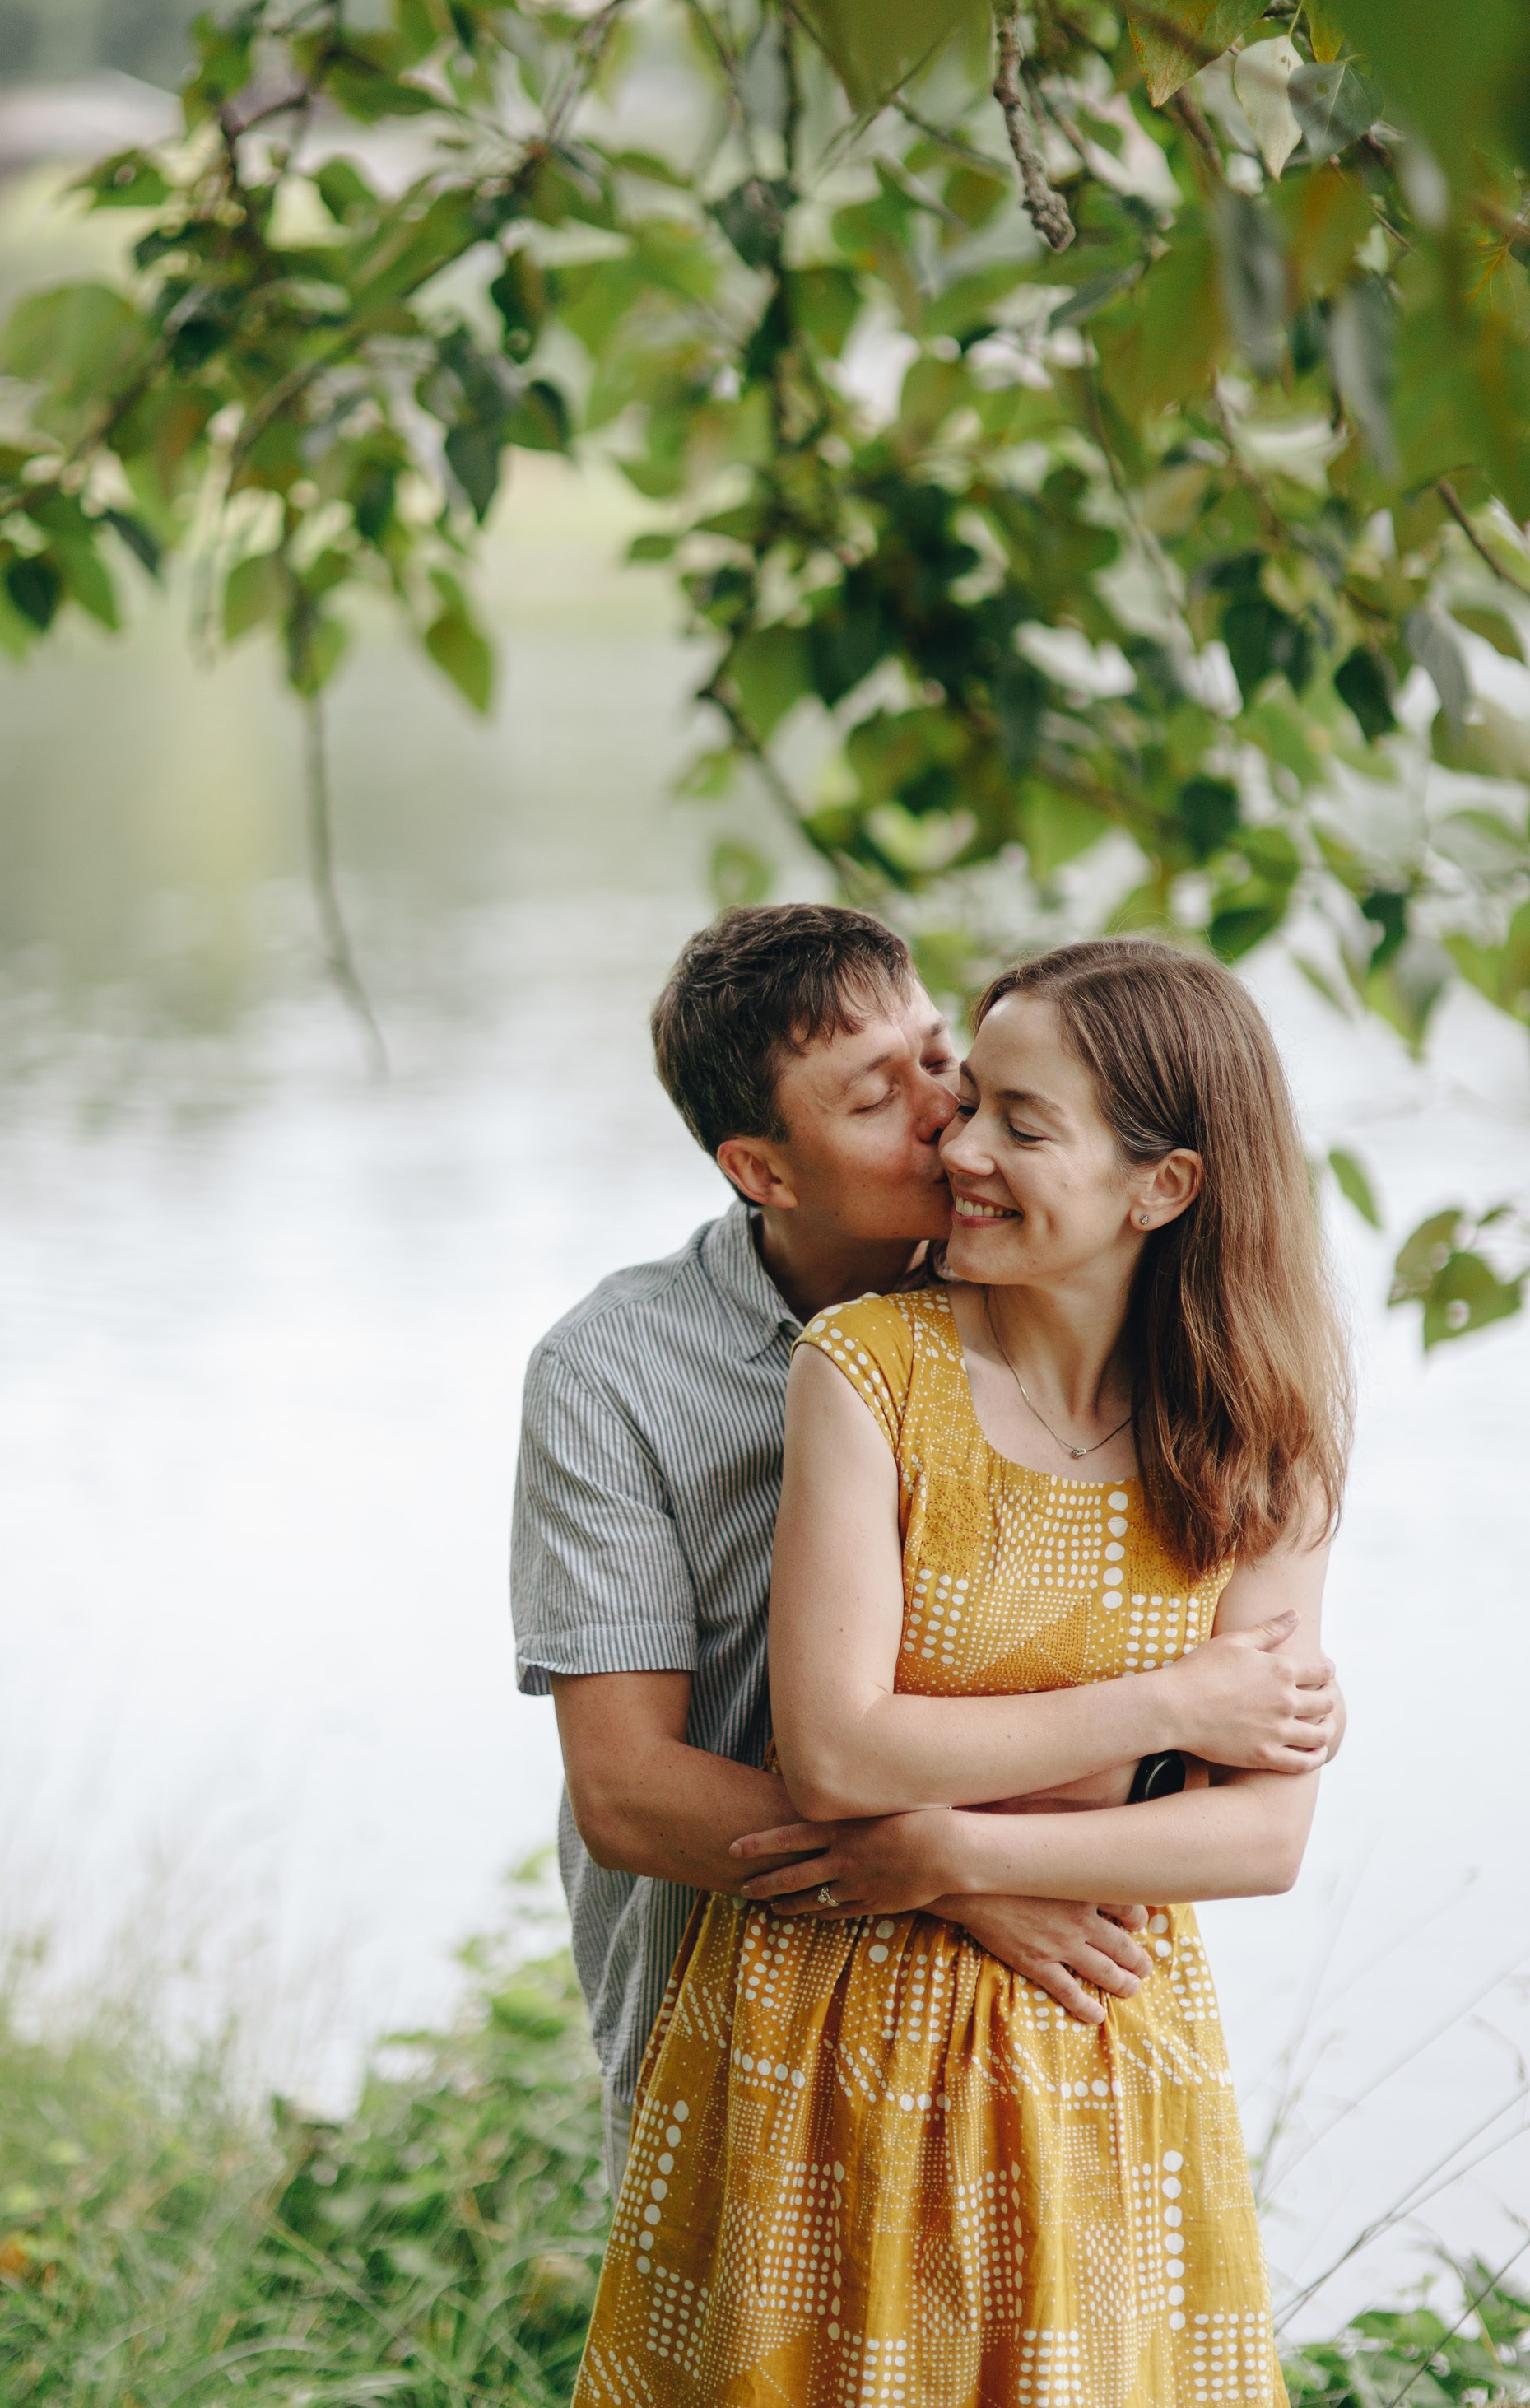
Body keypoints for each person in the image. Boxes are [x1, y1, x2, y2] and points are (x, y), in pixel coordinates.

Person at [572, 936, 1351, 2408]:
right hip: (830, 2031)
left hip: (1100, 2029)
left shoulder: (1265, 1428)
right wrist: (1167, 1725)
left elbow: (1264, 1830)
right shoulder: (863, 1364)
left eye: (995, 1104)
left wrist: (953, 1831)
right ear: (764, 1171)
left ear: (1164, 1186)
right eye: (938, 1100)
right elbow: (840, 1757)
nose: (954, 1141)